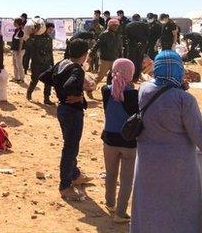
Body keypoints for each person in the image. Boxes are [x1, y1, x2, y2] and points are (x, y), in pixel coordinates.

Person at [131, 50, 202, 233]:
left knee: (149, 207)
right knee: (180, 210)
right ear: (179, 69)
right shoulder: (185, 100)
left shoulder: (145, 90)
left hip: (147, 162)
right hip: (178, 167)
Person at [39, 39, 92, 201]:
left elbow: (44, 77)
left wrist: (59, 89)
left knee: (71, 144)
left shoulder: (63, 63)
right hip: (72, 112)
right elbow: (70, 85)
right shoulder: (77, 69)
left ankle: (75, 175)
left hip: (62, 109)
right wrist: (78, 95)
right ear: (84, 55)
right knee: (70, 148)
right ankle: (65, 185)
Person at [100, 58, 138, 223]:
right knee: (126, 179)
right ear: (131, 73)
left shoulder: (105, 90)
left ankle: (110, 203)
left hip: (109, 138)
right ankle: (120, 213)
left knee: (111, 173)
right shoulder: (134, 94)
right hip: (129, 141)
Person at [25, 22, 54, 105]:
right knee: (34, 80)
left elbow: (50, 52)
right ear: (45, 28)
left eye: (52, 30)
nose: (51, 31)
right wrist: (33, 34)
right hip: (36, 63)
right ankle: (29, 94)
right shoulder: (36, 37)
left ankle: (46, 99)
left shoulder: (49, 39)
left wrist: (52, 63)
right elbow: (29, 44)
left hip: (46, 63)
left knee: (48, 81)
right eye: (49, 29)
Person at [91, 19, 121, 85]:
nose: (116, 27)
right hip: (105, 60)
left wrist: (121, 58)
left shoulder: (118, 35)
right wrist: (91, 55)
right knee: (99, 77)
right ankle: (90, 89)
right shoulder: (104, 35)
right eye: (114, 25)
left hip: (115, 60)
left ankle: (110, 90)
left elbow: (119, 48)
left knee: (114, 77)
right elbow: (97, 45)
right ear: (109, 26)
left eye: (117, 25)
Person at [124, 14, 149, 82]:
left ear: (133, 18)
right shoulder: (145, 25)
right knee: (139, 61)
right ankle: (136, 77)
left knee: (131, 61)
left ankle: (130, 77)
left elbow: (126, 36)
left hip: (132, 46)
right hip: (142, 46)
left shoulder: (129, 25)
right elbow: (148, 36)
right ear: (139, 18)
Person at [10, 17, 25, 83]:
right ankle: (16, 78)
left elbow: (21, 42)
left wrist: (19, 50)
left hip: (19, 50)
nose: (14, 24)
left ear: (18, 23)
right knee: (15, 64)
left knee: (19, 65)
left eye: (15, 23)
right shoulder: (16, 30)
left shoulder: (21, 31)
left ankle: (22, 79)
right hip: (15, 50)